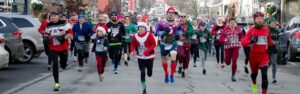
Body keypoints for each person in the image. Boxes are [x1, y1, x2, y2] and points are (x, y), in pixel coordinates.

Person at [242, 12, 275, 94]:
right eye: (258, 19)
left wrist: (273, 46)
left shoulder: (266, 30)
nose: (260, 20)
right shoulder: (251, 31)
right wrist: (251, 41)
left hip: (264, 56)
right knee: (254, 74)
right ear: (255, 20)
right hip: (253, 57)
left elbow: (269, 40)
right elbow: (243, 42)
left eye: (261, 19)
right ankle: (254, 84)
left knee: (264, 74)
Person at [45, 11, 73, 91]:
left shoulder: (64, 23)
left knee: (63, 65)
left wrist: (63, 38)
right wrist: (46, 37)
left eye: (54, 16)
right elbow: (47, 34)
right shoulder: (48, 25)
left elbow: (70, 34)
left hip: (63, 47)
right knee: (55, 65)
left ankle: (63, 63)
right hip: (53, 48)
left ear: (58, 16)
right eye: (51, 16)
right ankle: (56, 83)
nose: (52, 17)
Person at [130, 22, 156, 94]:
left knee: (149, 73)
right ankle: (144, 89)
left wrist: (147, 51)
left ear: (145, 29)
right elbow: (132, 44)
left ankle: (150, 71)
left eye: (142, 28)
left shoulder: (149, 35)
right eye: (139, 28)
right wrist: (132, 51)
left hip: (150, 57)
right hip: (140, 57)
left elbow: (154, 44)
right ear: (138, 29)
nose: (141, 29)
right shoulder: (135, 36)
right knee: (142, 72)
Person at [156, 6, 179, 83]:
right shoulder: (161, 22)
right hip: (164, 43)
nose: (171, 14)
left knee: (173, 55)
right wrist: (163, 32)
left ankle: (172, 75)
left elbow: (180, 31)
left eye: (172, 13)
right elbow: (157, 32)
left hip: (173, 42)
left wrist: (178, 34)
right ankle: (166, 74)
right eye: (170, 12)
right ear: (167, 13)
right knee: (164, 59)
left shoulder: (177, 22)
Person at [176, 13, 194, 78]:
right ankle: (180, 65)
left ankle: (183, 70)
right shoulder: (177, 23)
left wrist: (186, 31)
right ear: (179, 17)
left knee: (186, 57)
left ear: (186, 17)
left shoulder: (189, 24)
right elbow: (174, 31)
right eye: (181, 16)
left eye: (184, 16)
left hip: (186, 42)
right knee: (181, 54)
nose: (183, 17)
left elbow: (192, 32)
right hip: (180, 42)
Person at [268, 18, 280, 84]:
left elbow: (279, 40)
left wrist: (276, 42)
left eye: (274, 23)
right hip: (267, 49)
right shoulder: (267, 31)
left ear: (275, 24)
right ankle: (264, 75)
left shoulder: (277, 32)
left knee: (274, 63)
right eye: (271, 23)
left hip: (274, 49)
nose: (273, 24)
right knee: (268, 64)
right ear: (269, 24)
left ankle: (274, 77)